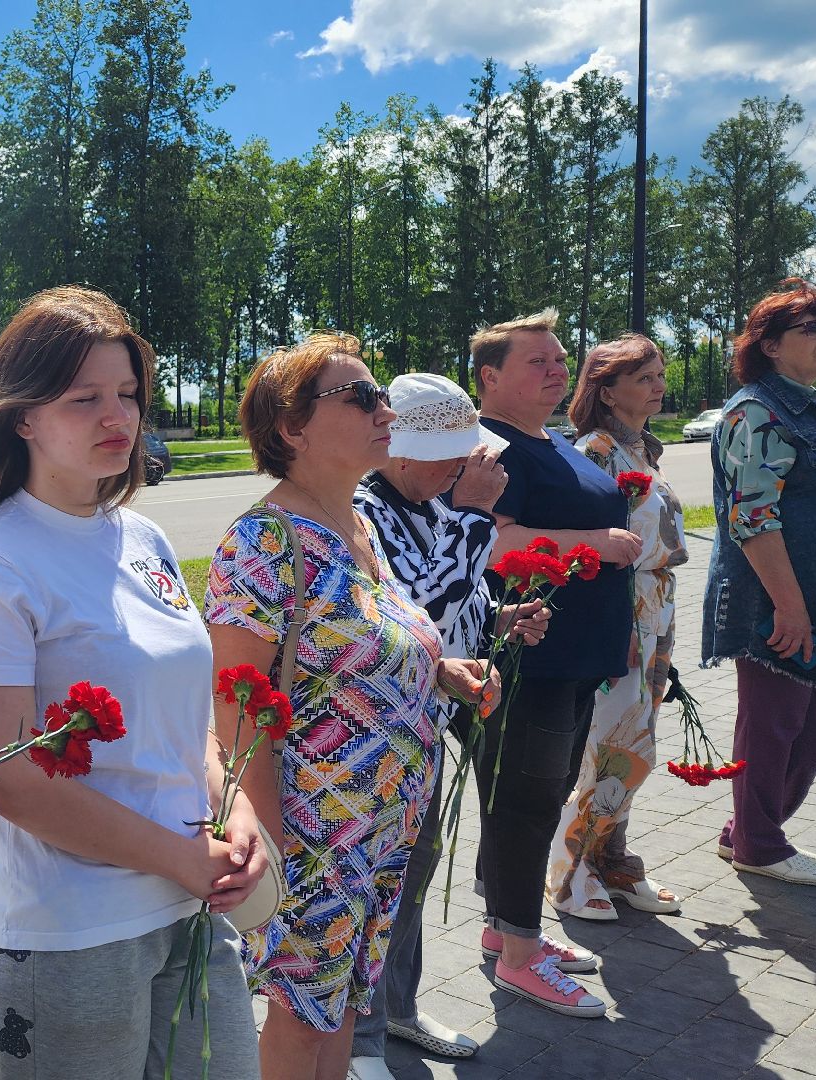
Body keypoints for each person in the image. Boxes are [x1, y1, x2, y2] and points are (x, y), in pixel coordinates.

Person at [0, 286, 267, 1079]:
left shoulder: (141, 535)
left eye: (127, 395)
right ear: (22, 417)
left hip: (189, 904)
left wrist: (236, 810)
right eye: (84, 399)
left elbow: (184, 718)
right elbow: (6, 776)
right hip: (68, 932)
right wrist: (179, 858)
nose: (117, 417)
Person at [206, 334, 494, 1080]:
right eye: (360, 396)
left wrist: (441, 670)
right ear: (292, 429)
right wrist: (268, 845)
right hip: (313, 839)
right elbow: (236, 706)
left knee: (341, 1008)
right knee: (304, 1020)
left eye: (380, 394)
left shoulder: (357, 528)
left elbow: (353, 652)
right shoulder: (265, 539)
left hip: (379, 831)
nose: (384, 408)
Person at [349, 373, 550, 1079]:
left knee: (416, 867)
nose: (468, 469)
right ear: (400, 452)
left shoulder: (432, 502)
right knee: (379, 883)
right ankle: (358, 1038)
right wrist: (470, 515)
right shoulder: (366, 511)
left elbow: (451, 610)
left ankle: (394, 1009)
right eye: (453, 456)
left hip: (427, 723)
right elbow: (418, 619)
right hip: (378, 736)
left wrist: (498, 622)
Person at [470, 309, 637, 1018]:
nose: (557, 370)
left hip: (574, 659)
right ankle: (518, 956)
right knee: (525, 806)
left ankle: (504, 930)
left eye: (560, 359)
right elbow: (492, 543)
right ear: (489, 377)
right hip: (526, 659)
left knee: (537, 797)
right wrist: (598, 542)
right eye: (536, 361)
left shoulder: (554, 442)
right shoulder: (489, 452)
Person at [548, 335, 687, 918]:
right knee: (614, 749)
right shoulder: (597, 452)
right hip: (623, 620)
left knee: (637, 745)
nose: (658, 385)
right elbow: (597, 554)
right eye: (645, 377)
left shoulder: (642, 450)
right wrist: (619, 629)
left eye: (658, 374)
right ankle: (569, 870)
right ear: (606, 390)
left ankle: (613, 858)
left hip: (656, 614)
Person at [703, 278, 816, 887]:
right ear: (771, 346)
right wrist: (790, 606)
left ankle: (747, 832)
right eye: (812, 328)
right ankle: (761, 842)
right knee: (775, 722)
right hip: (778, 600)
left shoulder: (811, 409)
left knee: (810, 724)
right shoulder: (756, 412)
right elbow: (752, 519)